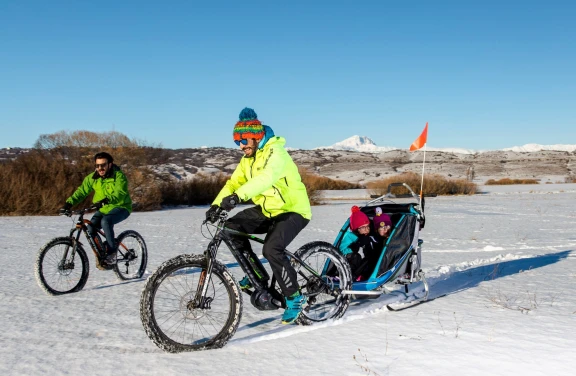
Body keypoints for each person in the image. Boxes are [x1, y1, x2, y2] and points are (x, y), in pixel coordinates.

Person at [206, 107, 312, 325]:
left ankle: (294, 298)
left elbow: (266, 178)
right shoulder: (248, 159)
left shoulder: (276, 152)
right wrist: (216, 206)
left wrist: (238, 197)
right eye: (237, 142)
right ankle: (258, 277)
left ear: (256, 136)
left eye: (244, 140)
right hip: (268, 209)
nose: (241, 146)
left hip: (293, 209)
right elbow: (234, 183)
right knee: (231, 228)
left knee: (271, 248)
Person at [60, 152, 132, 267]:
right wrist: (68, 204)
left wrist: (107, 199)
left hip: (121, 207)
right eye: (97, 165)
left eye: (103, 165)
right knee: (90, 228)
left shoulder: (119, 176)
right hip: (103, 209)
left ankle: (112, 253)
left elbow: (120, 193)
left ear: (110, 164)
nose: (100, 168)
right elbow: (81, 191)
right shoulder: (93, 178)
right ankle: (103, 254)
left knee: (105, 221)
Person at [339, 206, 390, 281]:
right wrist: (354, 247)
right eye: (363, 227)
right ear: (356, 228)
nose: (366, 230)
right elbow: (341, 251)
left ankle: (363, 275)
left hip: (364, 263)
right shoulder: (349, 236)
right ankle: (352, 276)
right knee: (356, 256)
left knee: (371, 257)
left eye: (368, 227)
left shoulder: (367, 235)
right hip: (350, 263)